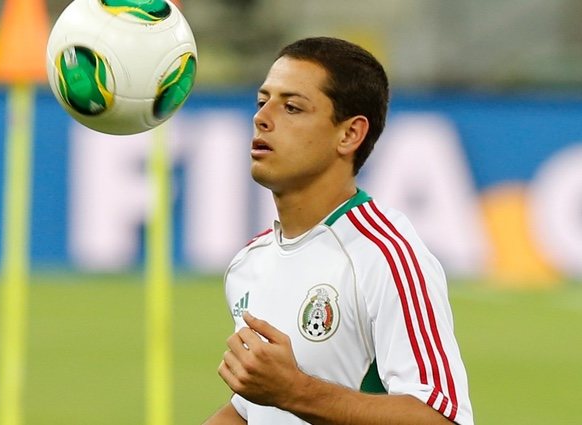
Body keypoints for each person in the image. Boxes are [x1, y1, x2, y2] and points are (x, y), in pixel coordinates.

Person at [203, 37, 473, 424]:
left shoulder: (384, 254)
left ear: (349, 134)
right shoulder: (249, 262)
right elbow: (251, 411)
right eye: (262, 101)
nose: (262, 117)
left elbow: (443, 417)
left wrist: (295, 391)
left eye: (292, 106)